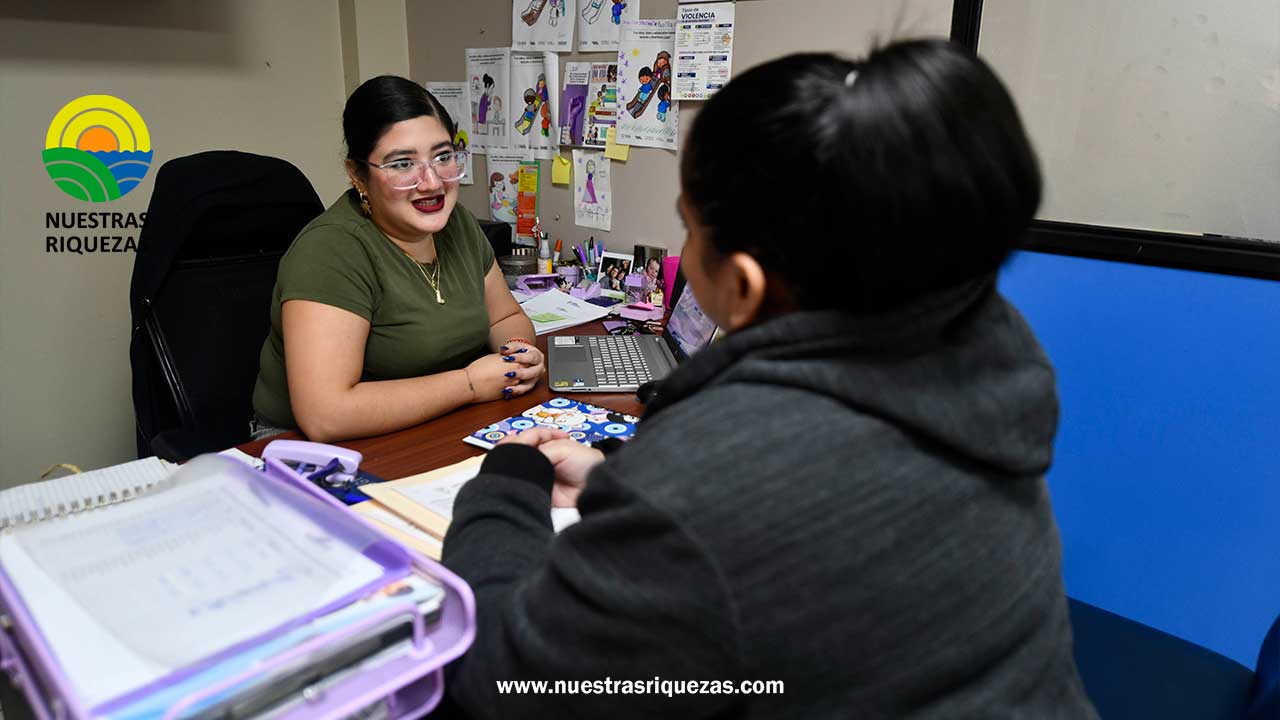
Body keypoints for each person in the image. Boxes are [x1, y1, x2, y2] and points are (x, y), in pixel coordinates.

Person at [440, 40, 1097, 718]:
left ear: (745, 287)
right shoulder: (988, 354)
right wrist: (619, 477)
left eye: (688, 230)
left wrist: (507, 484)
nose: (686, 253)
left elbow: (509, 683)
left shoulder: (709, 477)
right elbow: (816, 510)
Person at [252, 76, 544, 442]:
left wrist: (517, 355)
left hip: (439, 421)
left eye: (443, 157)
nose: (432, 182)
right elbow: (326, 415)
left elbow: (505, 316)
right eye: (403, 164)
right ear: (357, 174)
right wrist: (470, 384)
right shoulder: (330, 251)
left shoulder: (458, 224)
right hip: (308, 445)